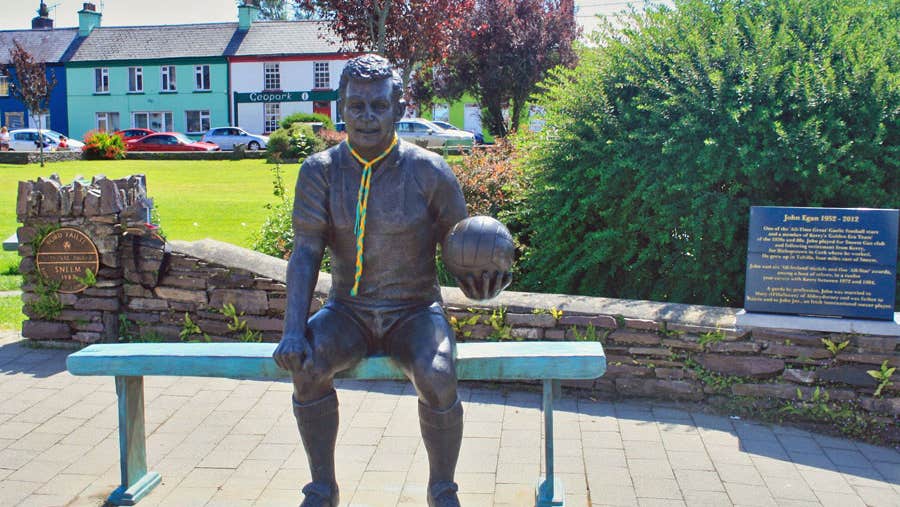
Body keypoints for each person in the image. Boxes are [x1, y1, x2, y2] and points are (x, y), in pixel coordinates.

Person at [273, 54, 510, 507]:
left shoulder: (430, 172)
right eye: (356, 105)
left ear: (398, 109)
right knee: (306, 368)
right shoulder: (319, 172)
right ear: (340, 107)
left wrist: (484, 277)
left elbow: (461, 248)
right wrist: (291, 332)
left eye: (377, 106)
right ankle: (322, 487)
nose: (366, 117)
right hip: (347, 312)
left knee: (438, 377)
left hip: (415, 312)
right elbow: (305, 252)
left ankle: (443, 488)